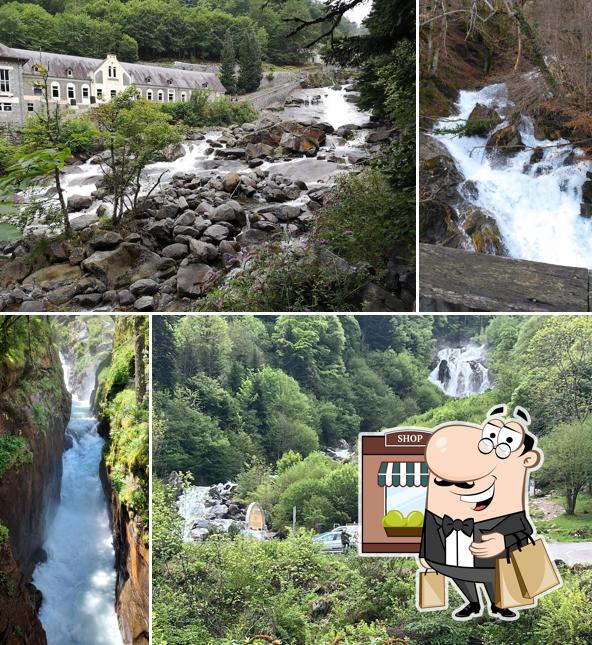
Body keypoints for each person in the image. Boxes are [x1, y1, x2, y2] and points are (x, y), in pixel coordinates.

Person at [418, 405, 542, 621]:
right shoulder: (438, 512)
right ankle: (472, 603)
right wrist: (425, 555)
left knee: (492, 577)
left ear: (527, 460)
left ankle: (498, 605)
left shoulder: (508, 514)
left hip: (491, 562)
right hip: (452, 558)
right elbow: (430, 528)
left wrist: (504, 541)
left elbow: (525, 530)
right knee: (460, 576)